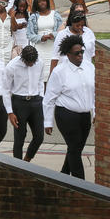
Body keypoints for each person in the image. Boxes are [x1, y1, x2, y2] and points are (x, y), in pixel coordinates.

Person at [43, 34, 95, 180]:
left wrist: (95, 111)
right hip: (66, 115)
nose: (80, 55)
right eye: (76, 53)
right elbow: (48, 99)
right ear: (68, 54)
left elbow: (95, 92)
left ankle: (64, 176)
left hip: (85, 115)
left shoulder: (90, 67)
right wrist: (47, 122)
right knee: (74, 148)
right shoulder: (59, 72)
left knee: (76, 149)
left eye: (82, 52)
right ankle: (80, 184)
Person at [4, 45, 45, 161]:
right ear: (23, 59)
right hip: (19, 103)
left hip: (36, 102)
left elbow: (41, 81)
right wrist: (10, 112)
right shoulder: (12, 66)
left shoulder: (40, 63)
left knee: (39, 137)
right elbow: (5, 90)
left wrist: (41, 98)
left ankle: (26, 161)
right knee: (20, 137)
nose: (31, 65)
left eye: (33, 62)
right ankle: (17, 167)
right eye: (28, 63)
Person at [27, 0, 63, 83]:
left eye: (43, 1)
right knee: (41, 75)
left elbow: (62, 30)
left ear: (47, 1)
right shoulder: (33, 17)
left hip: (53, 47)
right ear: (36, 4)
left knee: (54, 73)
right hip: (40, 48)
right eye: (39, 2)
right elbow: (29, 35)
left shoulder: (55, 14)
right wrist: (41, 38)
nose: (42, 3)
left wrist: (53, 35)